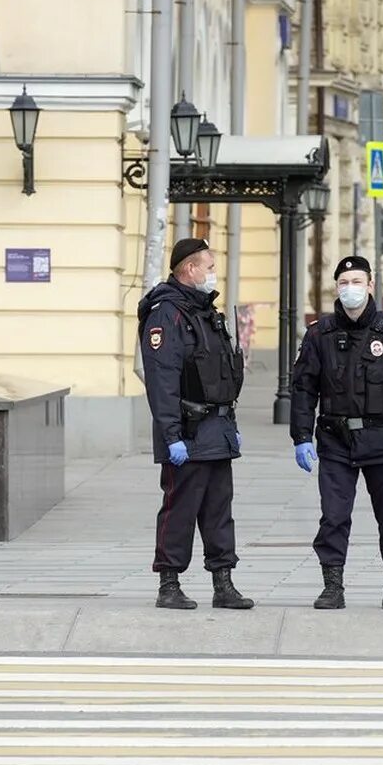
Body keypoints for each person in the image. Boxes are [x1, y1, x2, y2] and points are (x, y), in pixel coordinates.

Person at [290, 255, 383, 610]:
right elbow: (304, 387)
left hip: (382, 439)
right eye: (343, 282)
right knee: (333, 515)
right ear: (336, 287)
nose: (350, 289)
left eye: (357, 281)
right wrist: (301, 436)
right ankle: (332, 585)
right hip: (336, 440)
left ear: (370, 284)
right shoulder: (320, 334)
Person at [137, 237, 253, 611]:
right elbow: (162, 380)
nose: (212, 271)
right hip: (186, 432)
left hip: (216, 430)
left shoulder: (206, 312)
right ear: (189, 269)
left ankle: (224, 583)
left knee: (220, 510)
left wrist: (229, 422)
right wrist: (171, 435)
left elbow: (220, 374)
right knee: (180, 509)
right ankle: (169, 583)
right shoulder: (166, 314)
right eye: (209, 265)